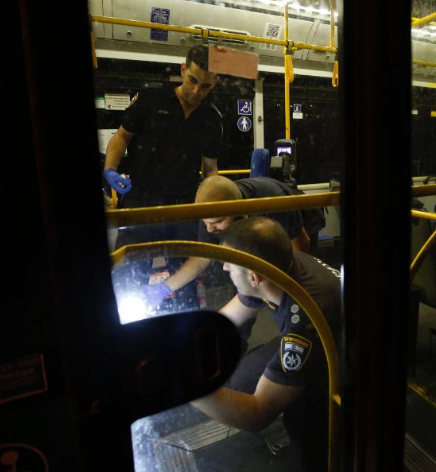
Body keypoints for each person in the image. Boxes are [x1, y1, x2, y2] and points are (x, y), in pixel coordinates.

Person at [190, 217, 342, 471]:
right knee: (237, 384)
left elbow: (257, 414)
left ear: (253, 277)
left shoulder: (304, 322)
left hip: (340, 358)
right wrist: (184, 337)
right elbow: (225, 319)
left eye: (230, 262)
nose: (225, 267)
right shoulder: (280, 265)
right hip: (324, 335)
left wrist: (185, 384)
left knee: (304, 426)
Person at [143, 175, 320, 305]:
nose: (209, 229)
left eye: (216, 222)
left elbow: (300, 245)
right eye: (204, 223)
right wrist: (165, 288)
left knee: (292, 298)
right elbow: (201, 258)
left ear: (240, 214)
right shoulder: (212, 211)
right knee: (253, 293)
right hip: (257, 233)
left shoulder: (273, 202)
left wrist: (287, 291)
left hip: (301, 226)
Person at [102, 44, 224, 211]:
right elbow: (122, 137)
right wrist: (110, 169)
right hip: (140, 200)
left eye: (205, 86)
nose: (196, 91)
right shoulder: (151, 99)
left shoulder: (211, 118)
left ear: (215, 83)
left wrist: (213, 200)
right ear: (183, 70)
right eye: (192, 80)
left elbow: (210, 169)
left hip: (184, 204)